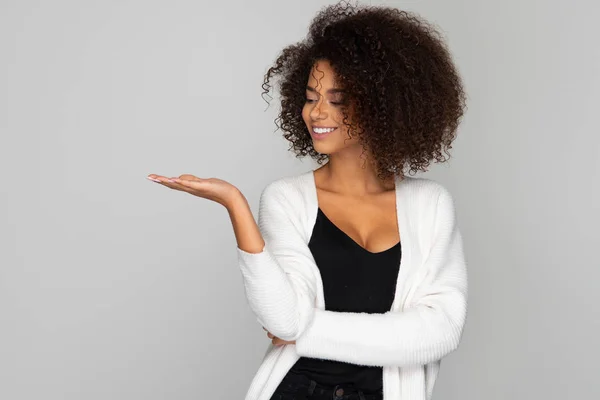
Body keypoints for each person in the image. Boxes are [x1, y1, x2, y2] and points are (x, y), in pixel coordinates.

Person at [147, 1, 468, 399]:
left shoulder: (431, 205)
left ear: (384, 105)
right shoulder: (287, 199)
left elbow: (438, 332)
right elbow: (283, 319)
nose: (317, 112)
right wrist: (234, 203)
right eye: (311, 95)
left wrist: (307, 331)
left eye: (338, 99)